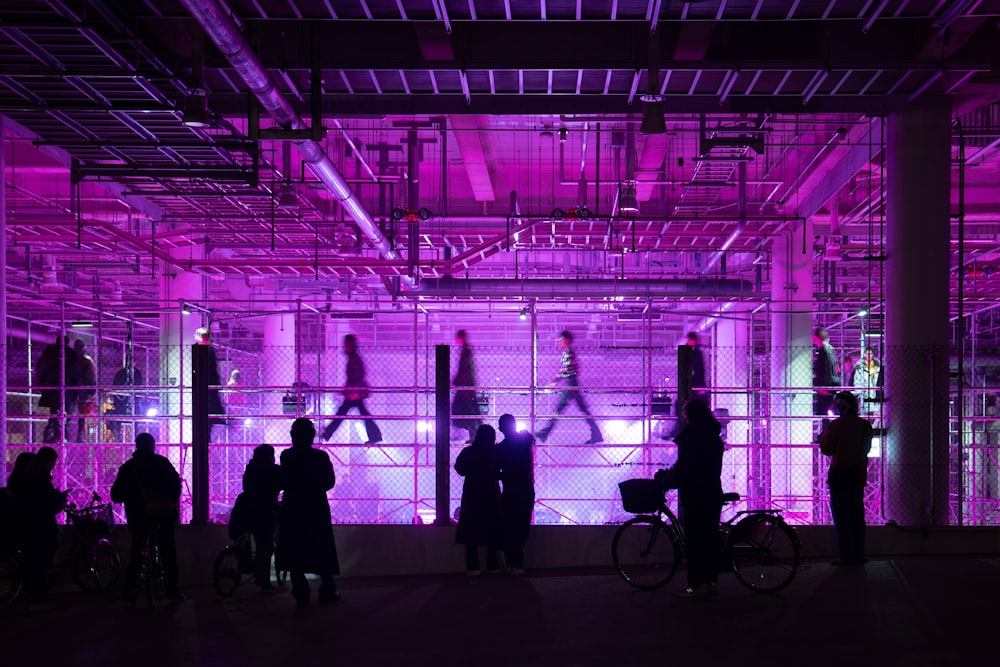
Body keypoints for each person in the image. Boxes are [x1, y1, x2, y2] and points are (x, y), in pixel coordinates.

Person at [656, 399, 724, 597]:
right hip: (712, 491)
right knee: (710, 538)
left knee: (694, 541)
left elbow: (684, 466)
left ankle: (695, 584)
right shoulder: (713, 435)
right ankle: (712, 582)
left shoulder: (691, 436)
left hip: (694, 493)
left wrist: (668, 479)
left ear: (689, 415)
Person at [110, 433, 184, 604]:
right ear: (153, 445)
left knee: (136, 554)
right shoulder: (162, 463)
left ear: (136, 446)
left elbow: (116, 495)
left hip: (138, 518)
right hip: (163, 515)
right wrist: (170, 500)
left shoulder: (128, 468)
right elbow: (175, 485)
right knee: (168, 553)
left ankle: (130, 593)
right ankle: (172, 592)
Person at [278, 418, 341, 607]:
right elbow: (329, 482)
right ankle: (327, 589)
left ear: (293, 436)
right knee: (322, 548)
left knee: (295, 550)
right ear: (312, 436)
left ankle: (301, 593)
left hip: (294, 508)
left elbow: (285, 480)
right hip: (316, 507)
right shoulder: (320, 458)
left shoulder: (287, 456)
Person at [7, 447, 67, 611]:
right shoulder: (39, 482)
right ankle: (36, 600)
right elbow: (50, 505)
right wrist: (61, 500)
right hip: (40, 529)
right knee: (39, 564)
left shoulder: (18, 482)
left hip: (25, 527)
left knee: (31, 563)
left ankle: (30, 595)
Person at [820, 391, 873, 566]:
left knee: (842, 518)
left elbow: (827, 449)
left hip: (839, 475)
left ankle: (846, 556)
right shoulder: (865, 426)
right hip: (857, 475)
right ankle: (859, 554)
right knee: (857, 517)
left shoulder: (835, 426)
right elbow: (865, 449)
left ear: (841, 406)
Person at [534, 331, 603, 445]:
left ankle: (545, 432)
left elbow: (567, 369)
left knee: (559, 409)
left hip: (571, 383)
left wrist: (555, 381)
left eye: (561, 340)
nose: (559, 343)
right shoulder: (568, 352)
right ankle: (596, 434)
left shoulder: (569, 352)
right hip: (571, 383)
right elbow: (571, 369)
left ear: (566, 340)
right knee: (582, 410)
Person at [454, 424, 502, 575]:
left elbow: (459, 469)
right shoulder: (496, 453)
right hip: (491, 493)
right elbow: (504, 469)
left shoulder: (469, 452)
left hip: (472, 494)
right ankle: (493, 566)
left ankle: (473, 567)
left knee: (471, 531)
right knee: (493, 530)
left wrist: (473, 470)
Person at [321, 334, 382, 445]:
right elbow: (357, 376)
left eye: (347, 344)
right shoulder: (354, 358)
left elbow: (357, 376)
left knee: (342, 414)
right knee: (359, 415)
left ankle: (327, 433)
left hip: (354, 392)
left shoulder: (353, 358)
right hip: (354, 392)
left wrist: (351, 390)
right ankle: (375, 435)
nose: (345, 346)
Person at [495, 414, 535, 575]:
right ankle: (517, 563)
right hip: (525, 488)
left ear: (501, 428)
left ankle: (511, 562)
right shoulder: (526, 439)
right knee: (522, 526)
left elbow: (496, 469)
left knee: (510, 526)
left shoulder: (501, 448)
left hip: (510, 489)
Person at [241, 444, 283, 589]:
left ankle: (251, 568)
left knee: (257, 542)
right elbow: (284, 482)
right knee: (266, 545)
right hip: (266, 512)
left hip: (249, 510)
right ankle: (263, 580)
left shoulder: (251, 469)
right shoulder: (274, 471)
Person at [36, 336, 79, 443]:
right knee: (63, 412)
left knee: (55, 411)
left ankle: (53, 434)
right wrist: (76, 392)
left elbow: (41, 367)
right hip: (66, 387)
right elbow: (76, 374)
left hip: (51, 385)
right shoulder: (72, 355)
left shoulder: (50, 351)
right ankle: (59, 435)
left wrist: (41, 383)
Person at [452, 330, 482, 443]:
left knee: (466, 411)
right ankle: (474, 436)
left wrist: (458, 381)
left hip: (466, 387)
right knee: (471, 411)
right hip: (468, 386)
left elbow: (464, 369)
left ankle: (471, 435)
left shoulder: (465, 352)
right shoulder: (467, 351)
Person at [194, 327, 225, 426]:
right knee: (209, 408)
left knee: (206, 409)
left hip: (206, 382)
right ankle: (215, 419)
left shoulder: (205, 350)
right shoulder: (209, 350)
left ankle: (212, 421)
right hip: (208, 382)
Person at [813, 328, 840, 417]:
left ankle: (827, 430)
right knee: (829, 412)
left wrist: (822, 387)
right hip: (829, 386)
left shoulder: (824, 350)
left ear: (817, 338)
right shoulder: (829, 349)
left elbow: (824, 369)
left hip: (825, 387)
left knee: (823, 413)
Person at [74, 340, 97, 443]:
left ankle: (64, 433)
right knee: (82, 415)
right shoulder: (87, 361)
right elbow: (91, 377)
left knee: (68, 412)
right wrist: (92, 391)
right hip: (83, 389)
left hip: (72, 388)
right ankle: (80, 435)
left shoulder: (70, 360)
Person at [851, 347, 881, 415]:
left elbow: (880, 383)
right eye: (867, 354)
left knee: (876, 420)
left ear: (873, 355)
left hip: (876, 402)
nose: (868, 355)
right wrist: (861, 394)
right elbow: (857, 383)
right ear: (864, 355)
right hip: (864, 401)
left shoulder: (878, 368)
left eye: (870, 353)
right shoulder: (859, 369)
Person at [685, 331, 709, 405]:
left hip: (694, 383)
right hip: (694, 383)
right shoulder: (694, 352)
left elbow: (699, 370)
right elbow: (700, 370)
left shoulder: (694, 352)